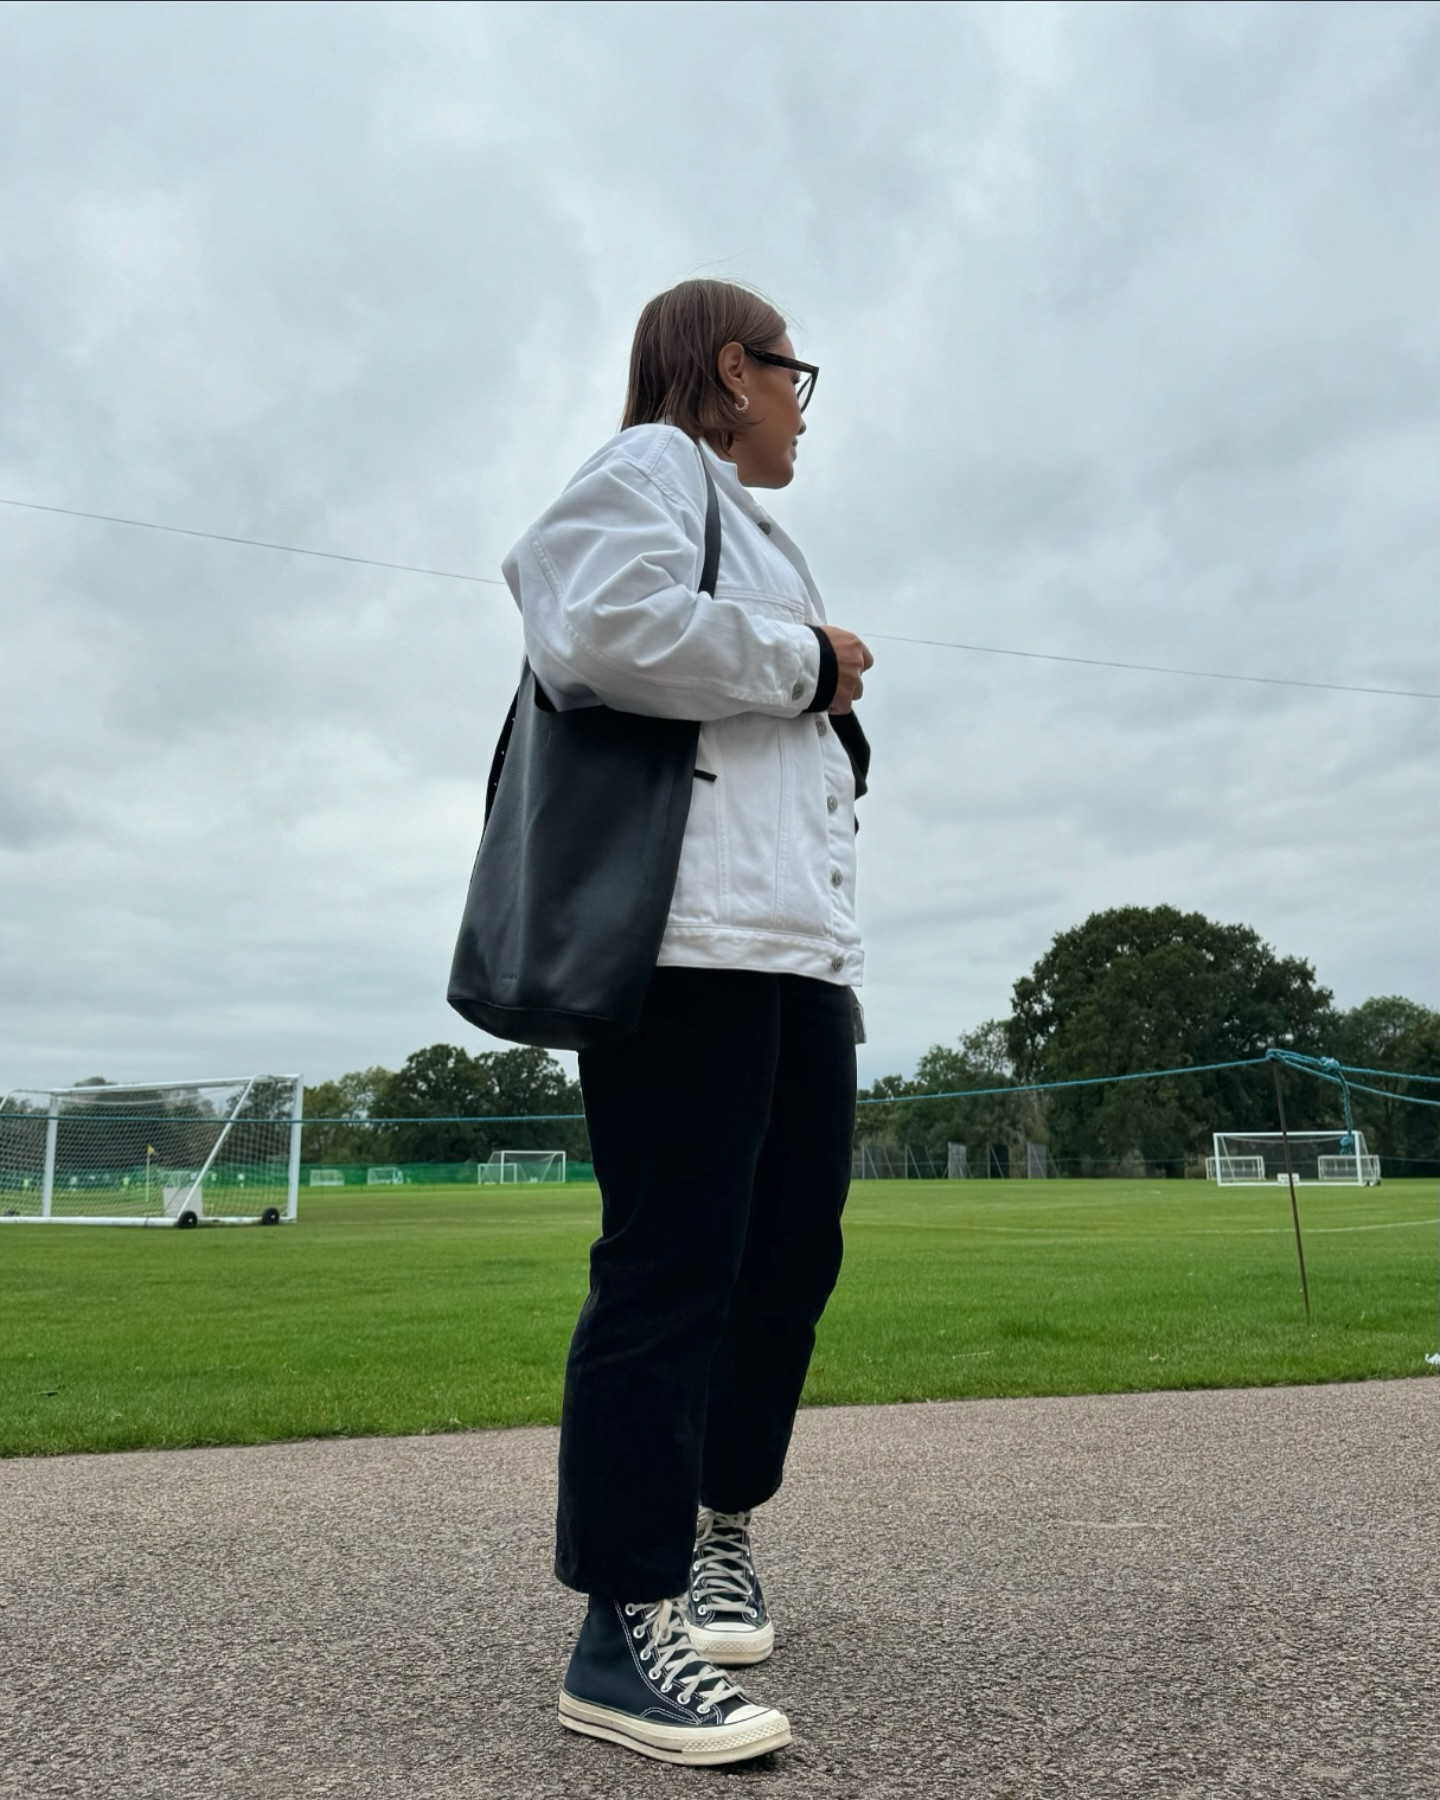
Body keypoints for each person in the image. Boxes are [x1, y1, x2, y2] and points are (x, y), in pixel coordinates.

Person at [500, 278, 873, 1767]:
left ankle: (718, 1533)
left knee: (788, 1260)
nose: (801, 409)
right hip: (688, 949)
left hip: (793, 956)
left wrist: (820, 698)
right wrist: (809, 663)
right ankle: (621, 1628)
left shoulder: (750, 523)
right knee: (669, 1270)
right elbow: (589, 619)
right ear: (733, 369)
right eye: (794, 376)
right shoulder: (657, 463)